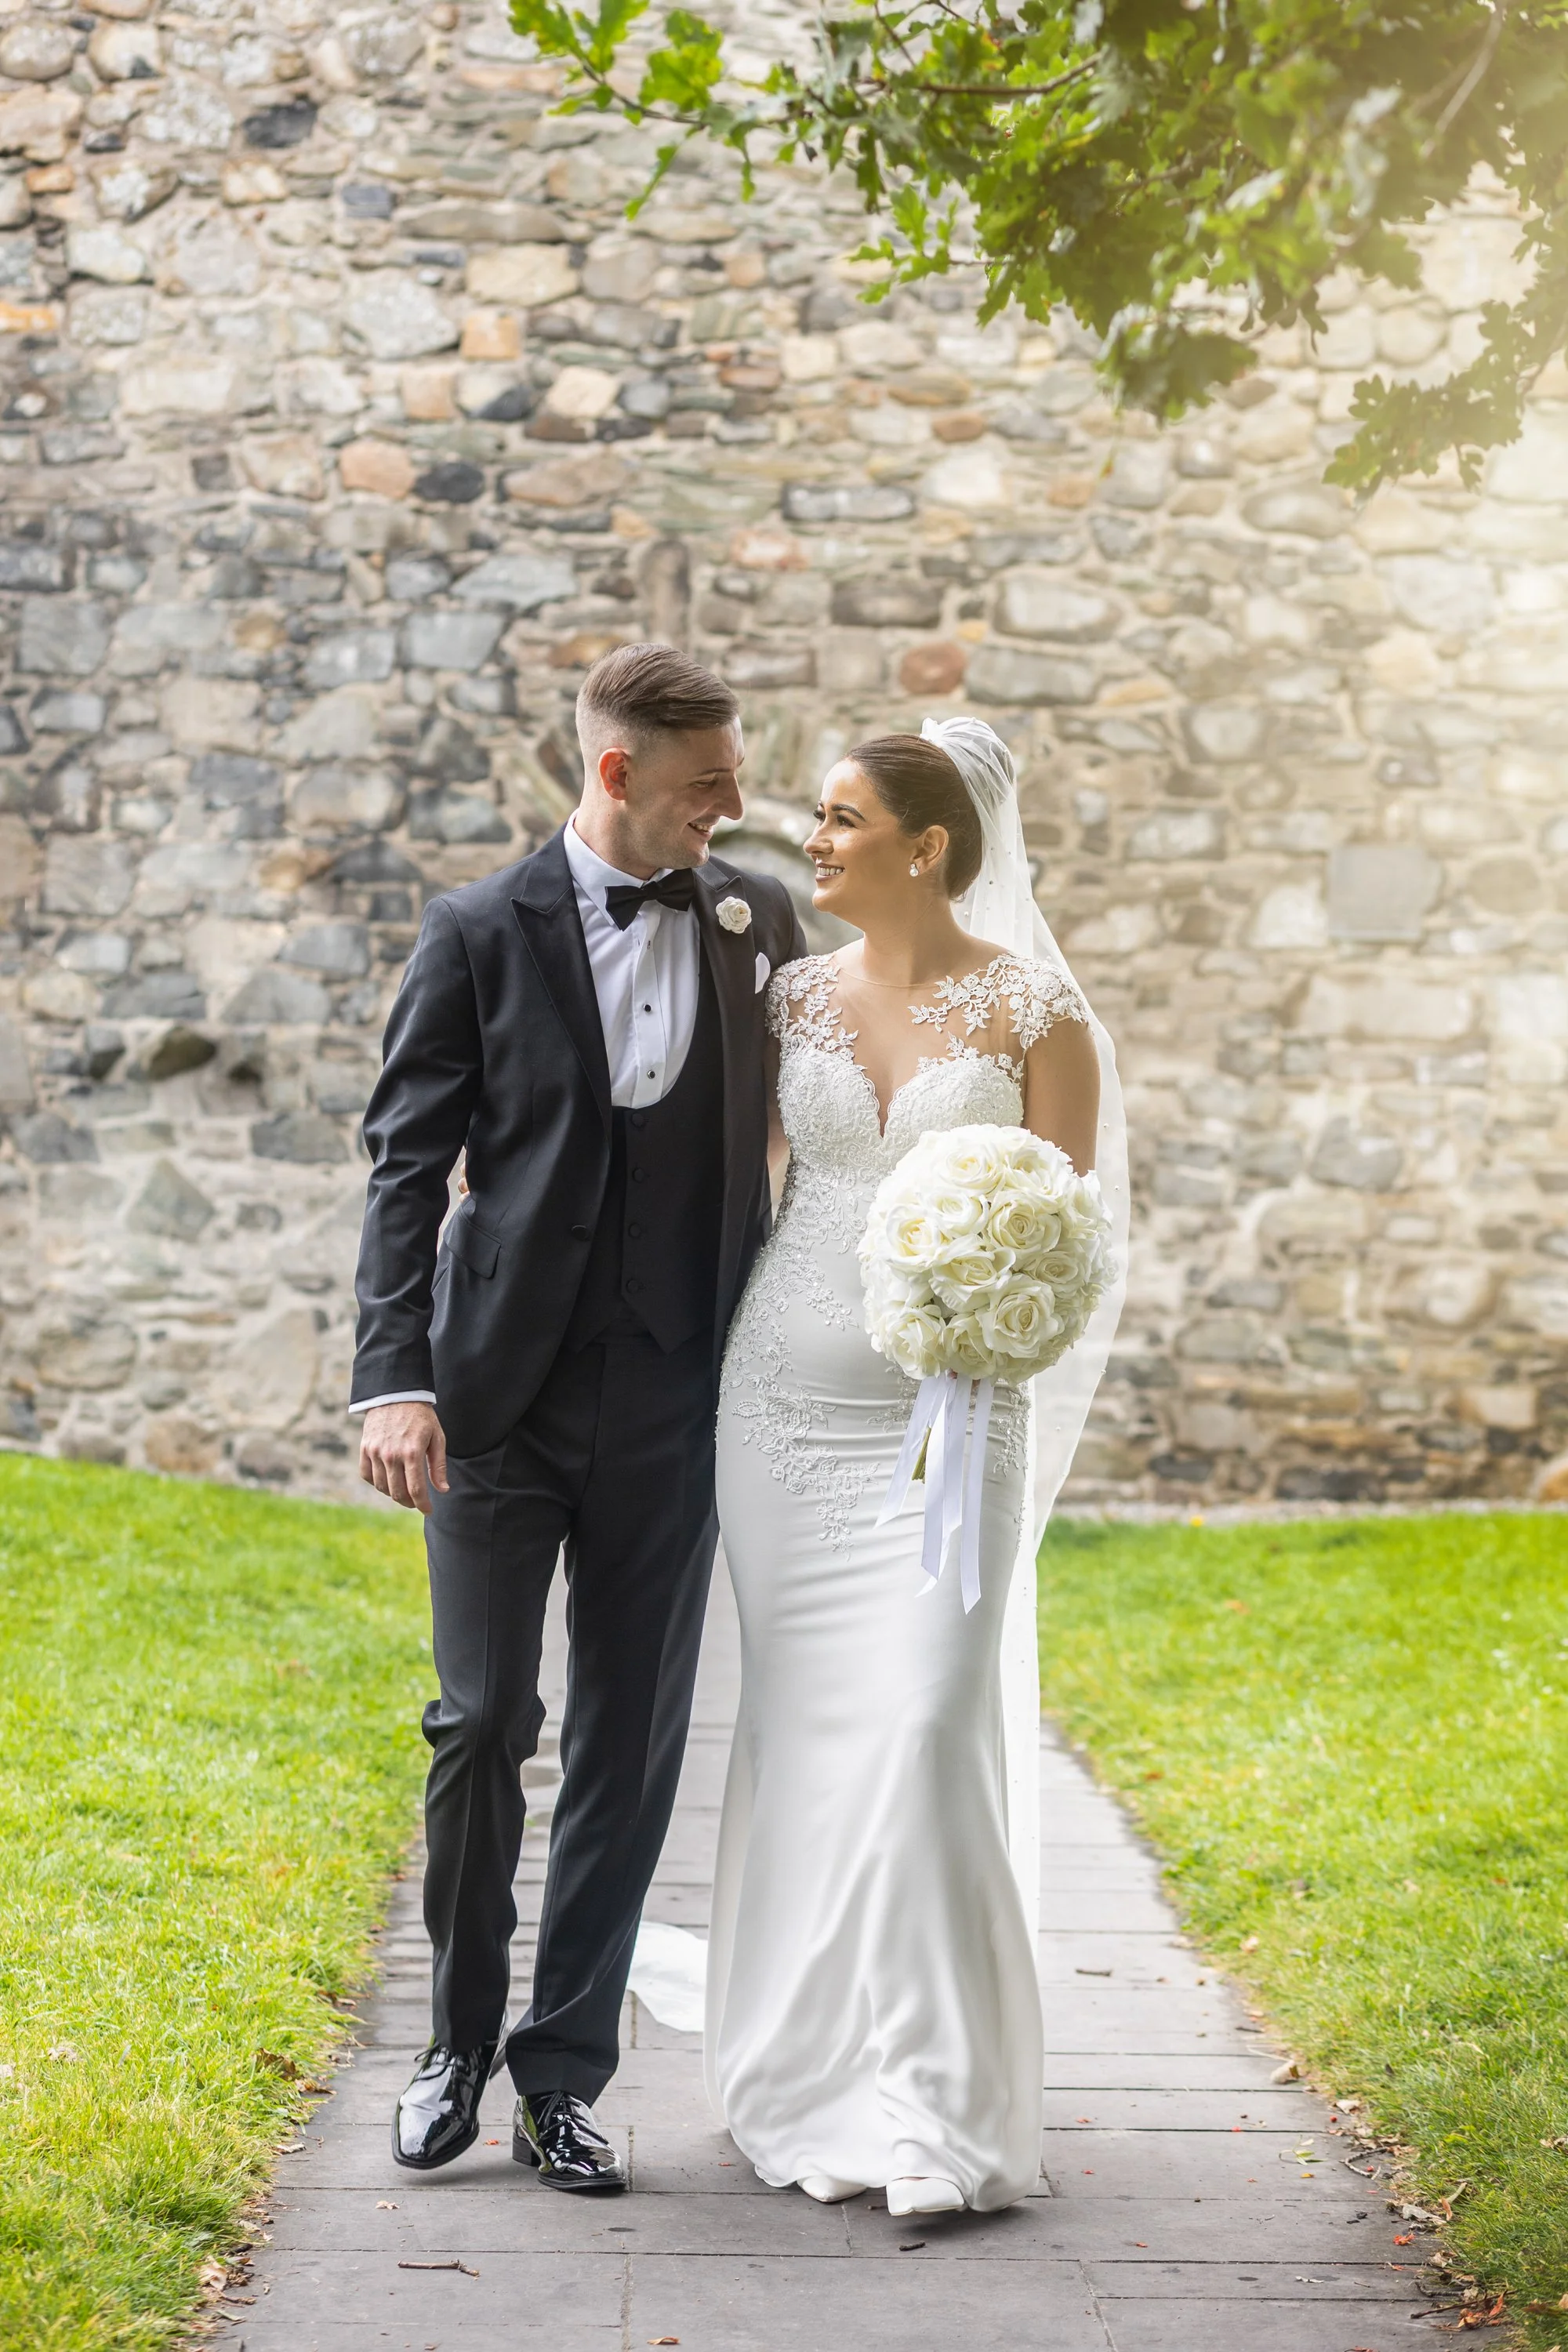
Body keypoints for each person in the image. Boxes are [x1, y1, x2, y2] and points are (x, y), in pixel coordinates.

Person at [350, 643, 805, 2192]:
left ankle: (562, 2075)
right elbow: (408, 1165)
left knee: (636, 1738)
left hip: (683, 1392)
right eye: (704, 792)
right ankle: (450, 2049)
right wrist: (392, 1376)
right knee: (483, 1719)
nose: (733, 816)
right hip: (497, 1400)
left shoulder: (758, 919)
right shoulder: (478, 931)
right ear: (615, 774)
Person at [707, 719, 1127, 2218]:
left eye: (839, 818)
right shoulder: (788, 1000)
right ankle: (812, 2064)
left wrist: (990, 1312)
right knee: (813, 1737)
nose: (810, 842)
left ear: (927, 845)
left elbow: (1068, 1238)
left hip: (954, 1415)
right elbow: (727, 1191)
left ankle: (938, 2118)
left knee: (930, 1726)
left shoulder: (1036, 1013)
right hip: (777, 1414)